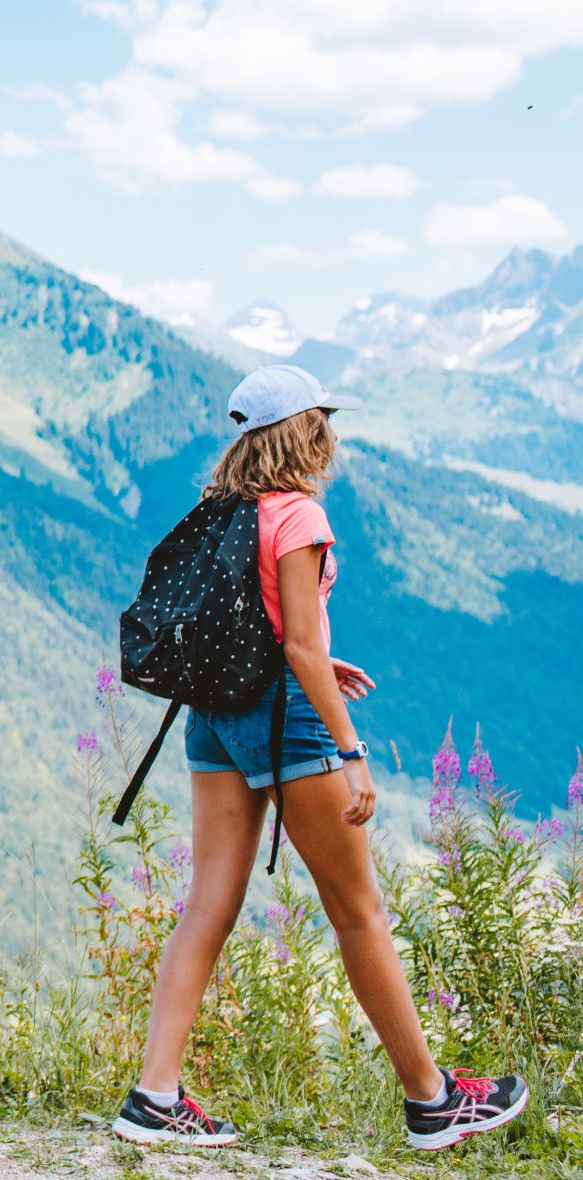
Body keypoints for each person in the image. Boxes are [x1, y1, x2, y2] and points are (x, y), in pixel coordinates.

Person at [111, 365, 526, 1151]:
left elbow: (262, 628)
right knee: (358, 909)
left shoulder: (224, 509)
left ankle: (154, 1096)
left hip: (215, 716)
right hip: (285, 722)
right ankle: (432, 1100)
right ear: (304, 431)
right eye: (324, 420)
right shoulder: (298, 516)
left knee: (206, 906)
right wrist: (351, 746)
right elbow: (300, 641)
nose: (331, 434)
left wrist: (309, 663)